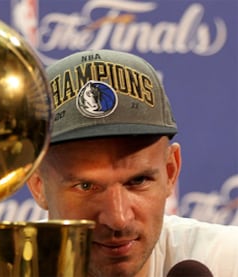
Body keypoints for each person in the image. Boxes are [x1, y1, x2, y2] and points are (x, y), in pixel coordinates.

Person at [27, 49, 238, 277]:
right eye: (86, 186)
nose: (118, 219)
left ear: (171, 171)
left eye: (138, 181)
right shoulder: (3, 269)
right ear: (38, 184)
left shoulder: (226, 262)